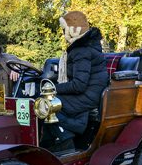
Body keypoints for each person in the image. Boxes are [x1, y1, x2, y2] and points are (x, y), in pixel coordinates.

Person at [41, 11, 108, 152]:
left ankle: (66, 142)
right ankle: (50, 141)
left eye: (65, 29)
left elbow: (79, 85)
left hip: (89, 95)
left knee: (47, 104)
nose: (63, 33)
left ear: (73, 31)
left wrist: (54, 88)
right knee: (46, 100)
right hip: (91, 92)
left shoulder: (81, 51)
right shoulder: (85, 48)